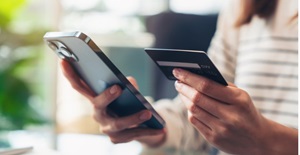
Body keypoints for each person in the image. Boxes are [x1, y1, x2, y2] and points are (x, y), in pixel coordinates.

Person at [60, 0, 298, 154]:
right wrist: (145, 122)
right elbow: (199, 129)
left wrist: (267, 140)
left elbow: (251, 137)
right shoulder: (246, 9)